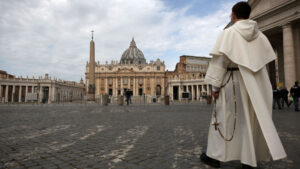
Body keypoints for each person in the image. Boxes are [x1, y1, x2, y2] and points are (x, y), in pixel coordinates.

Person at [200, 2, 286, 169]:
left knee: (223, 118)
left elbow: (220, 62)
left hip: (233, 82)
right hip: (255, 84)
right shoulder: (260, 36)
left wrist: (214, 88)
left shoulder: (228, 33)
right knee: (250, 119)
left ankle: (214, 156)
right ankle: (249, 159)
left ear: (233, 15)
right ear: (249, 15)